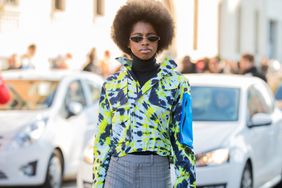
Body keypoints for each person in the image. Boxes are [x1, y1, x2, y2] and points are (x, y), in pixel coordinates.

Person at [93, 0, 196, 188]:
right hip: (117, 170)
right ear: (126, 40)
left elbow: (183, 141)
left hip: (156, 170)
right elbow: (103, 139)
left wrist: (186, 183)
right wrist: (98, 183)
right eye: (137, 38)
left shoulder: (177, 84)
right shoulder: (111, 85)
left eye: (151, 37)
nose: (145, 43)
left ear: (161, 39)